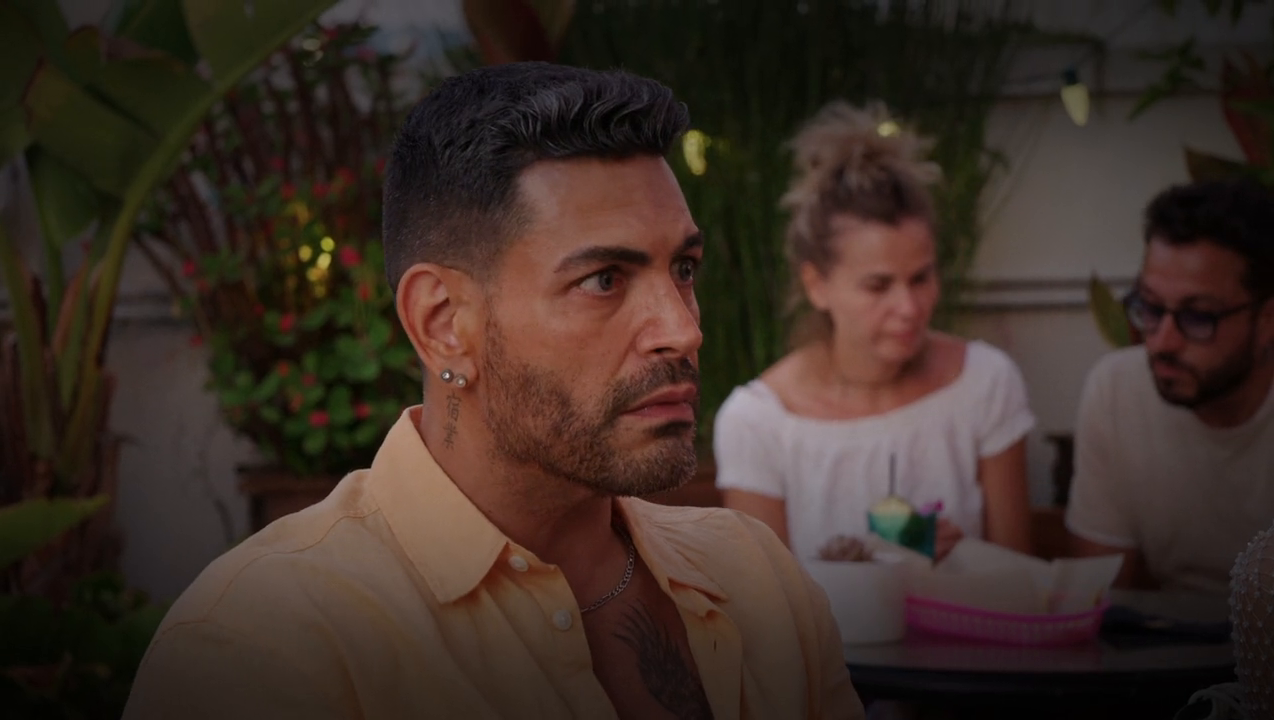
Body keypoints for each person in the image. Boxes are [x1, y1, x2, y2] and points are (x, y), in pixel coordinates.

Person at [122, 63, 864, 720]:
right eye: (604, 280)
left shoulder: (757, 579)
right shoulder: (265, 644)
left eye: (684, 270)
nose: (682, 329)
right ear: (443, 324)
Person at [713, 101, 1035, 564]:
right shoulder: (760, 422)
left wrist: (961, 559)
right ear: (817, 285)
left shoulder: (985, 383)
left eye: (921, 278)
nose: (909, 308)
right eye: (878, 286)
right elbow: (767, 600)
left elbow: (1019, 577)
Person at [1066, 178, 1274, 596]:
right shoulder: (1116, 391)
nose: (1162, 342)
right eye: (1150, 307)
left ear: (1268, 320)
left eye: (1198, 317)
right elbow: (1098, 600)